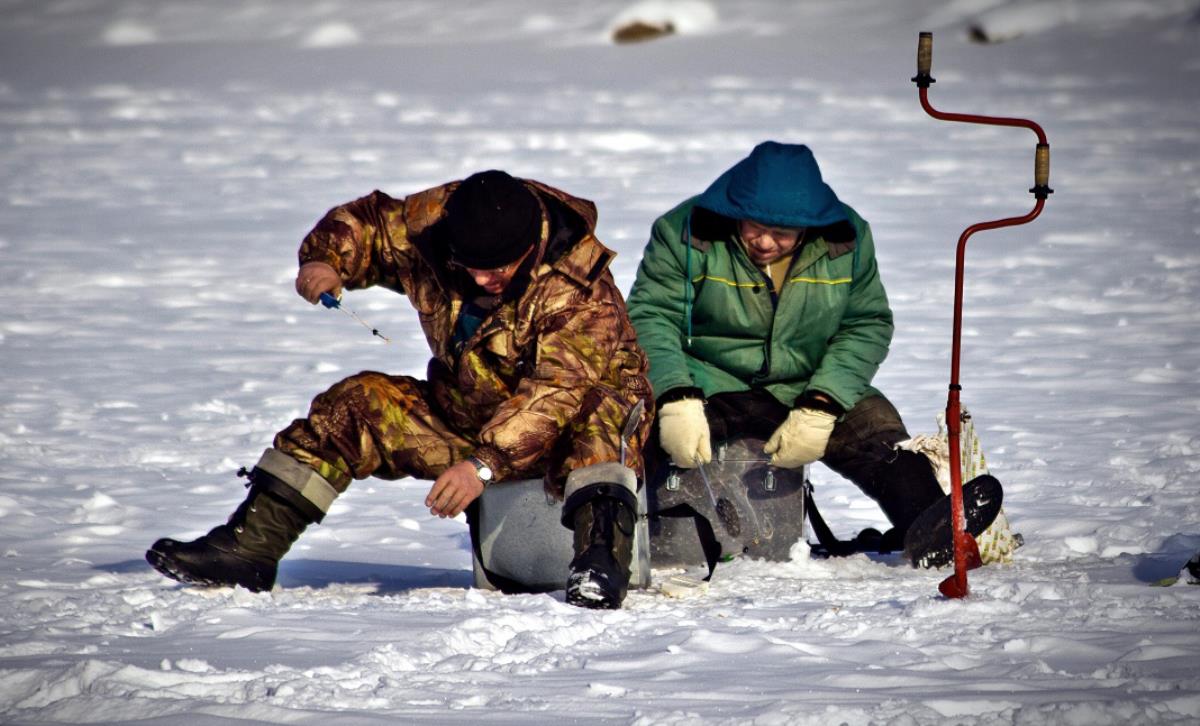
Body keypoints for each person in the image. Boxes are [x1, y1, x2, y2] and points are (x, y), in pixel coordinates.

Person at [147, 170, 653, 609]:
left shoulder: (581, 288)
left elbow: (557, 391)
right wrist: (326, 260)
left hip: (569, 418)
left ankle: (599, 562)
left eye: (499, 269)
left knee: (598, 415)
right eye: (472, 267)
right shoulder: (432, 224)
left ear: (531, 248)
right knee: (356, 405)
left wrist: (481, 466)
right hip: (472, 409)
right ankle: (247, 550)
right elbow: (368, 224)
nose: (484, 278)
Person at [626, 141, 1001, 568]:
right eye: (753, 227)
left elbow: (866, 324)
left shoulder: (848, 238)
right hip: (709, 378)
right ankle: (617, 532)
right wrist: (675, 394)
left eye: (782, 234)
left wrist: (823, 403)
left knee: (879, 435)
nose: (765, 242)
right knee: (650, 432)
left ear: (810, 225)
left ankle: (934, 529)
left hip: (805, 380)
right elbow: (650, 316)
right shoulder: (685, 230)